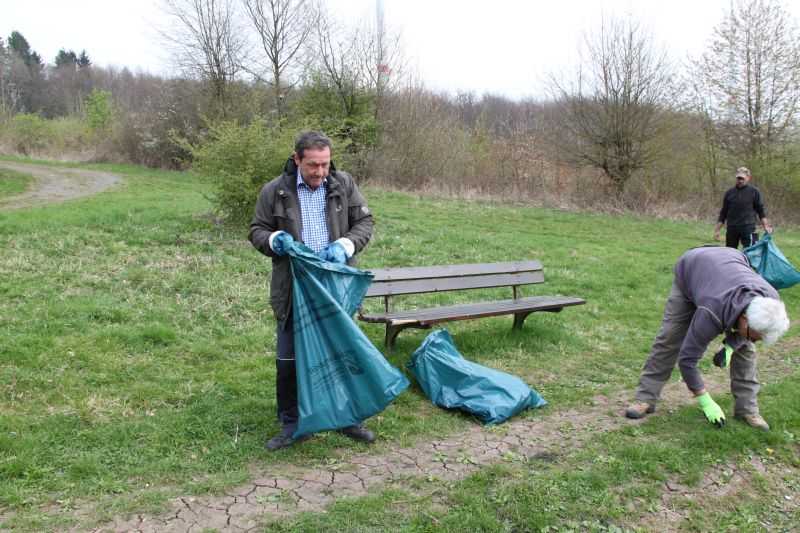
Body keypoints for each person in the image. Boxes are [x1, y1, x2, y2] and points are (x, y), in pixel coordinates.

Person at [249, 131, 375, 450]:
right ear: (297, 159)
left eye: (325, 164)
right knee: (288, 360)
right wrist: (275, 241)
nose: (320, 172)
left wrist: (344, 245)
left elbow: (364, 223)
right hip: (294, 289)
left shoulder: (343, 184)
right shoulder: (275, 191)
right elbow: (257, 230)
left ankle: (347, 416)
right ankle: (293, 424)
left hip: (335, 285)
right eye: (313, 165)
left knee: (341, 353)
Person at [625, 246, 790, 431]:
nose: (755, 340)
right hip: (693, 269)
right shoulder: (712, 312)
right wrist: (706, 401)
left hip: (728, 265)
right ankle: (645, 397)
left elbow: (748, 337)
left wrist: (731, 345)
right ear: (745, 320)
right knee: (669, 339)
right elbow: (687, 360)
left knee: (746, 351)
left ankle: (747, 409)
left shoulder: (772, 302)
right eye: (755, 336)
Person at [714, 166, 772, 248]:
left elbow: (760, 210)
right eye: (738, 178)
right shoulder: (729, 193)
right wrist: (717, 230)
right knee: (730, 253)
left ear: (748, 178)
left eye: (742, 178)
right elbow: (723, 213)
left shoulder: (754, 192)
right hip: (732, 228)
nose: (740, 181)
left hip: (749, 228)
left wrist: (766, 226)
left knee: (752, 253)